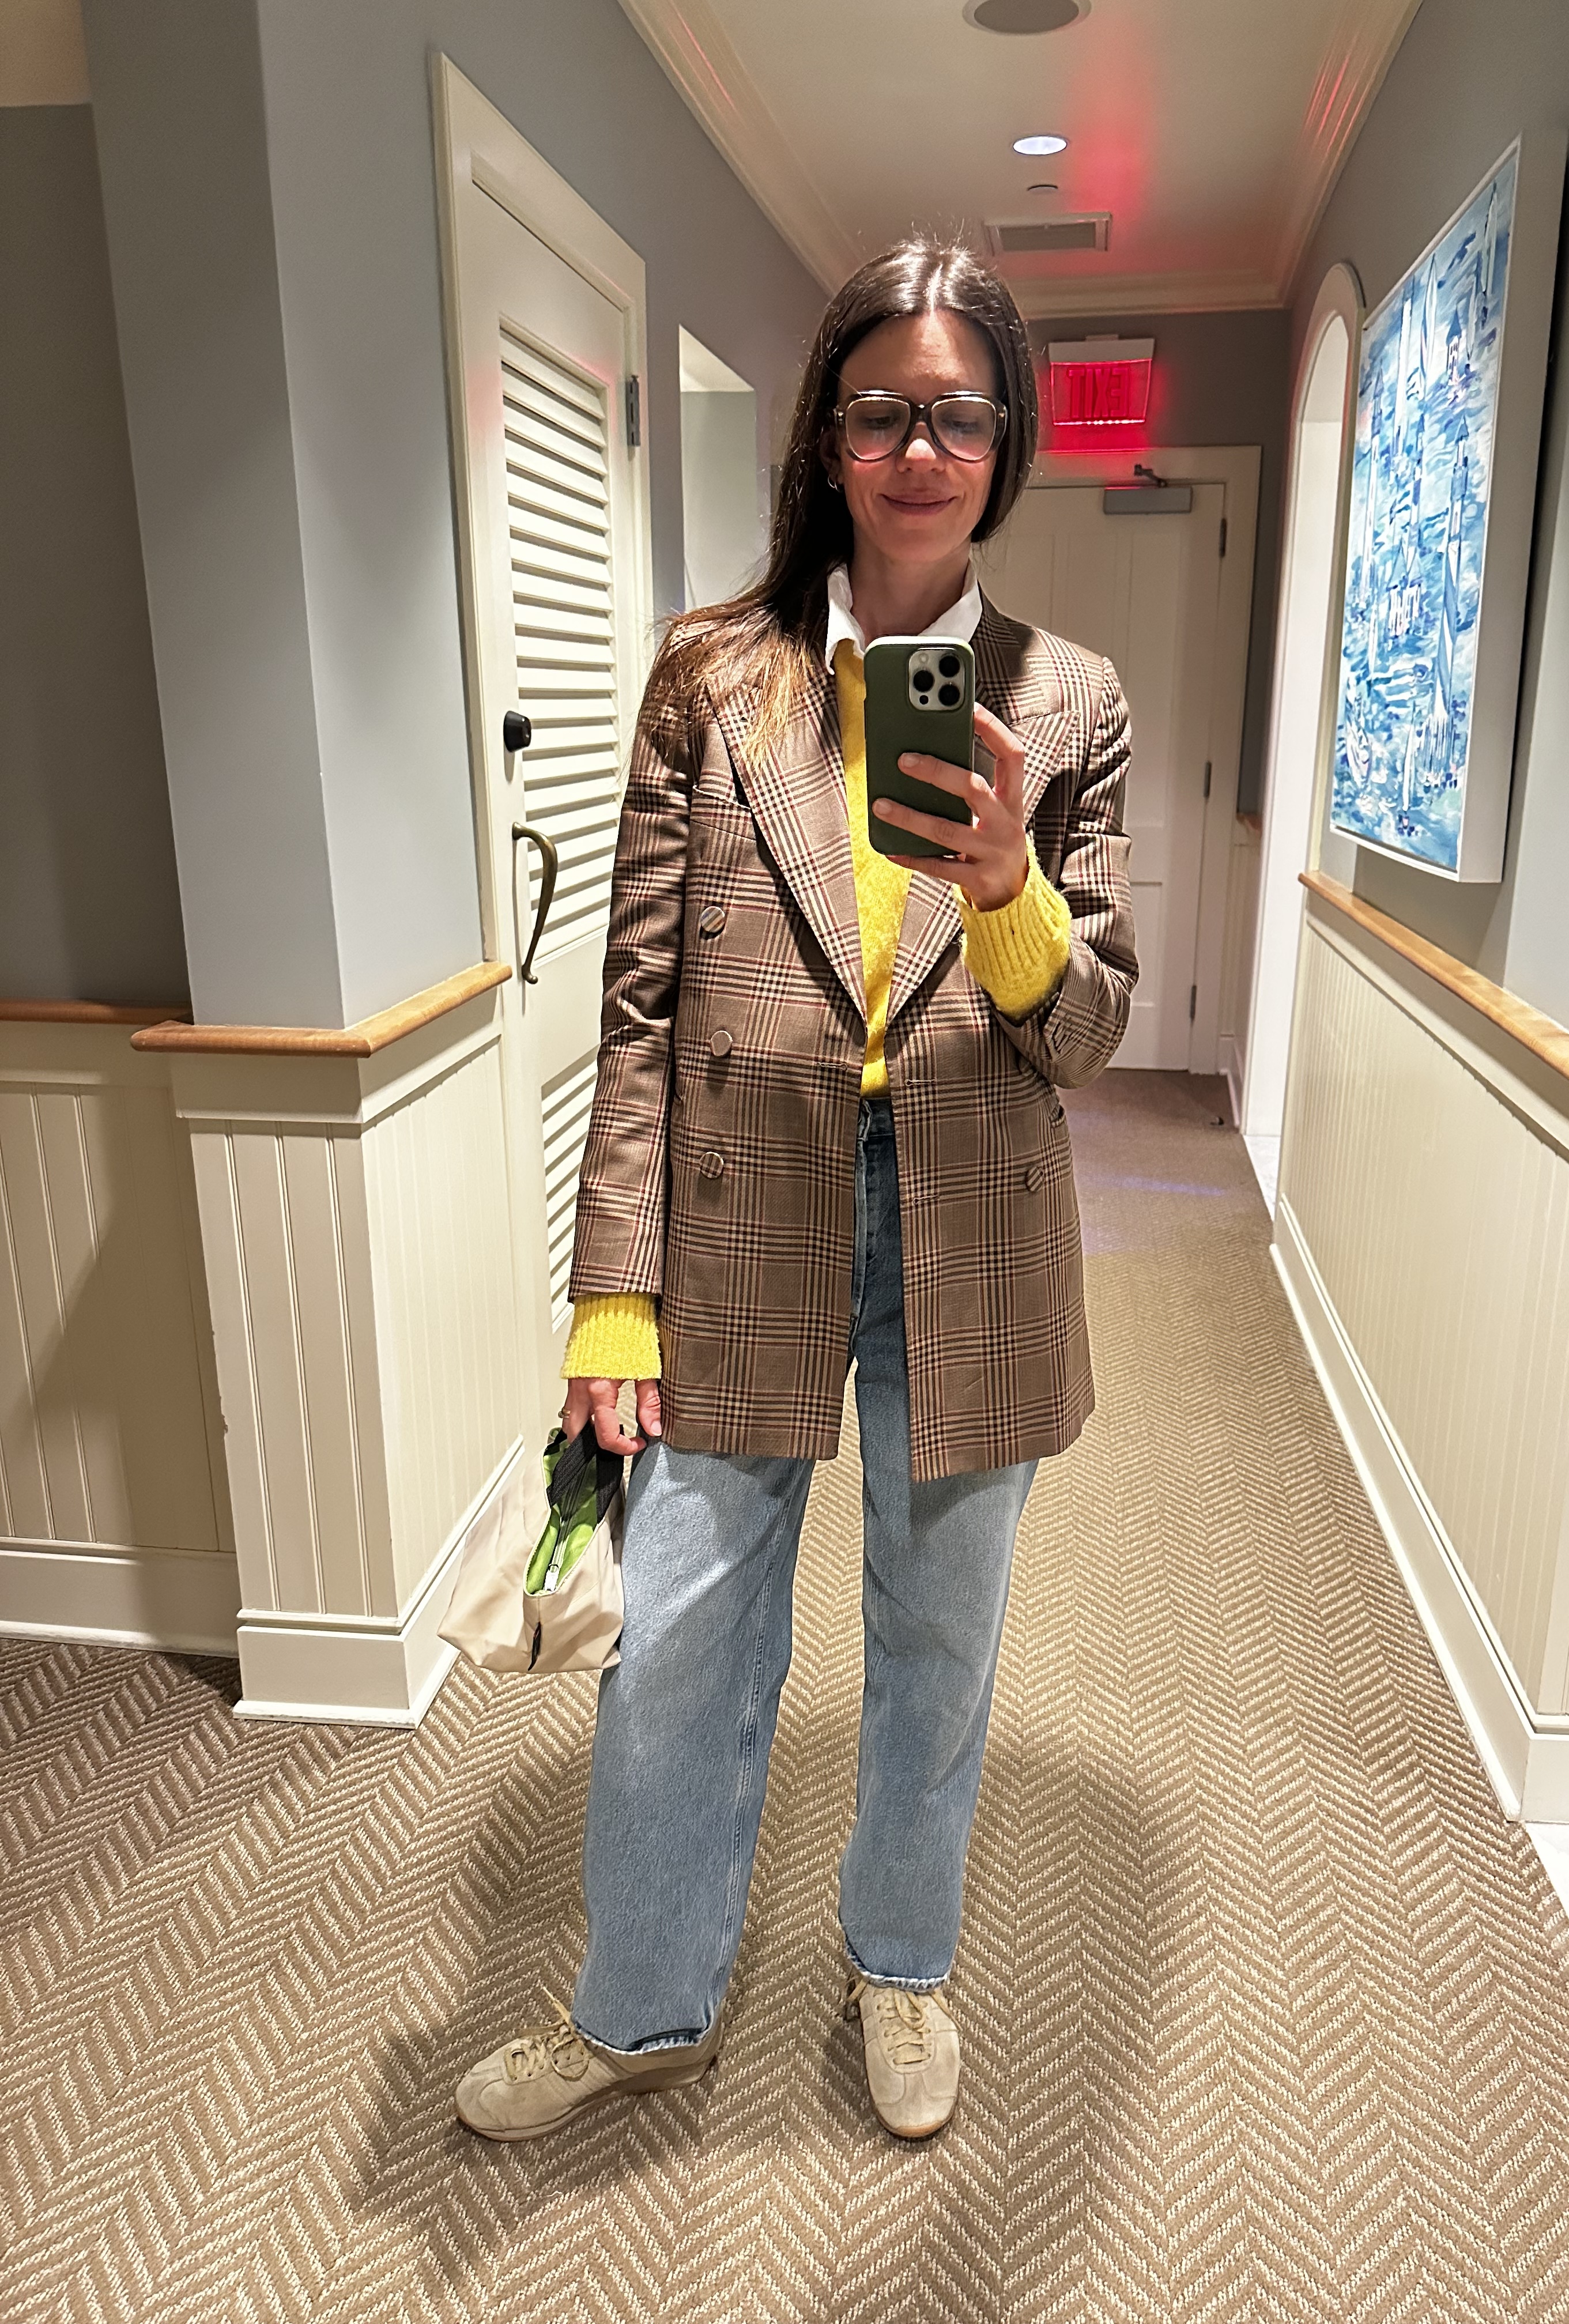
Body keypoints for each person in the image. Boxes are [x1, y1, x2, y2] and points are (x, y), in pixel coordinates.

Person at [456, 239, 1136, 2145]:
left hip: (977, 1229)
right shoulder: (708, 677)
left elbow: (1089, 1031)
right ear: (830, 437)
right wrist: (611, 1293)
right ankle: (643, 2003)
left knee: (939, 1628)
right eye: (882, 411)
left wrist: (1006, 892)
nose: (921, 448)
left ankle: (901, 1965)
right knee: (678, 1634)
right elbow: (641, 1008)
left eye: (960, 414)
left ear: (1002, 446)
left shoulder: (1064, 704)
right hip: (739, 1215)